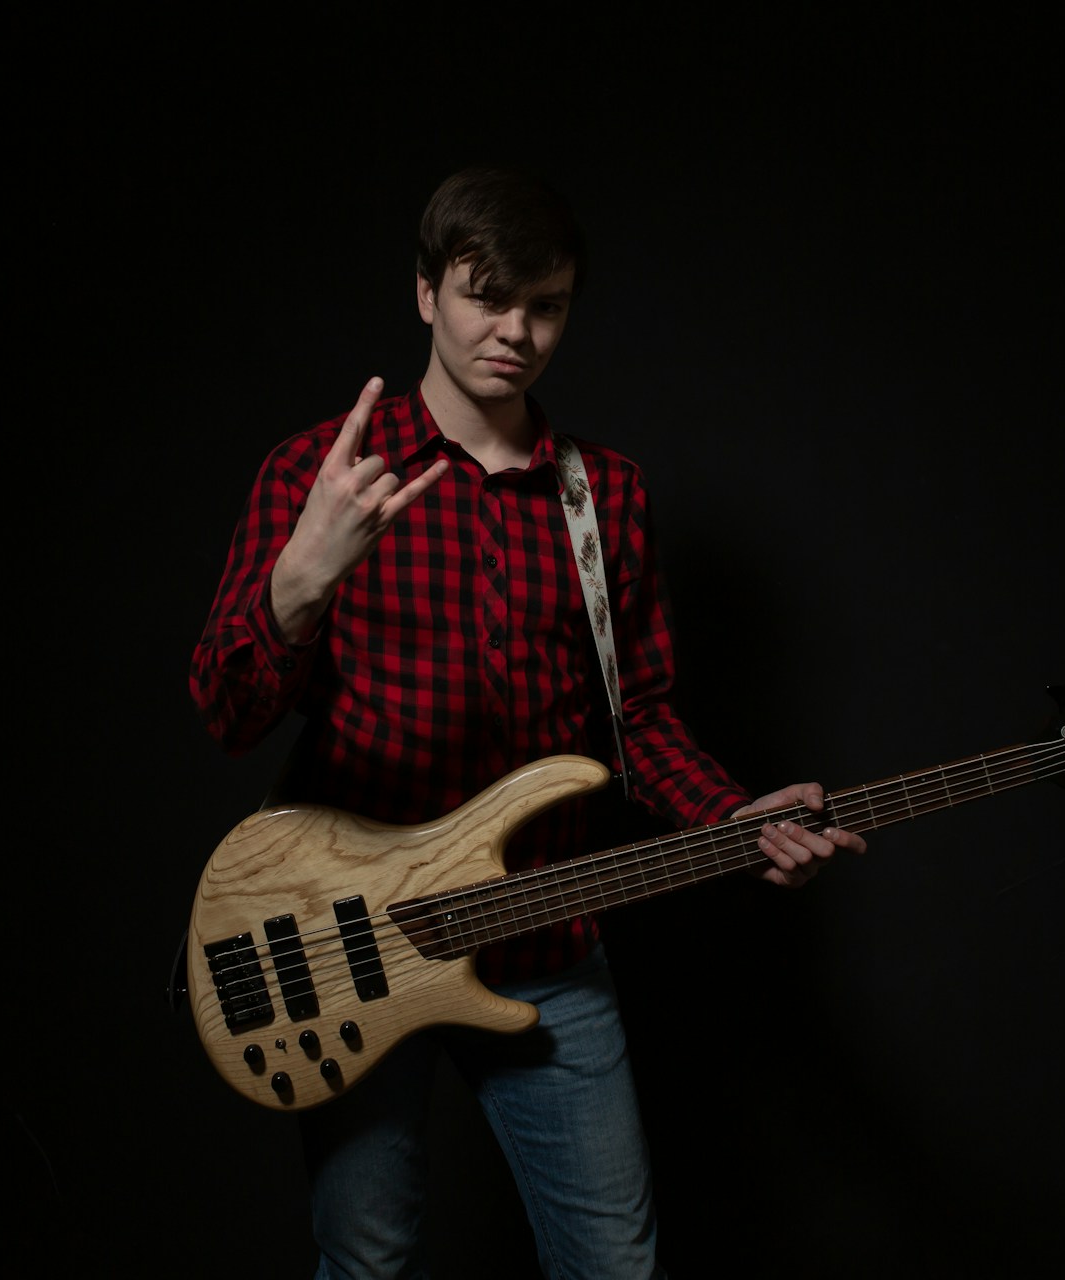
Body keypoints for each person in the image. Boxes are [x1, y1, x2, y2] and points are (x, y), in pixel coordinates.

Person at [189, 166, 866, 1280]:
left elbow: (637, 718)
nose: (516, 331)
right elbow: (226, 713)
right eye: (487, 296)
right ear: (426, 292)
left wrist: (735, 817)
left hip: (545, 936)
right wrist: (296, 589)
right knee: (367, 1256)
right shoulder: (324, 475)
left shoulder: (606, 497)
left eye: (545, 305)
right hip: (358, 941)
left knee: (613, 1263)